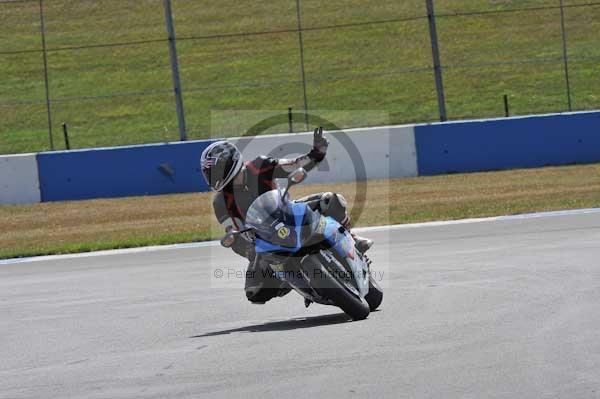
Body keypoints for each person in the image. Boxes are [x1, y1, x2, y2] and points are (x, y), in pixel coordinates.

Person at [201, 127, 373, 304]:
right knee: (255, 292)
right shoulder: (220, 201)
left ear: (231, 162)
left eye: (216, 170)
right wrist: (247, 249)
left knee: (331, 200)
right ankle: (294, 281)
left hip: (289, 213)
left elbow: (294, 164)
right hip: (263, 239)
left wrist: (316, 153)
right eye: (210, 173)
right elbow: (233, 229)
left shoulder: (259, 166)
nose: (214, 176)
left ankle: (352, 238)